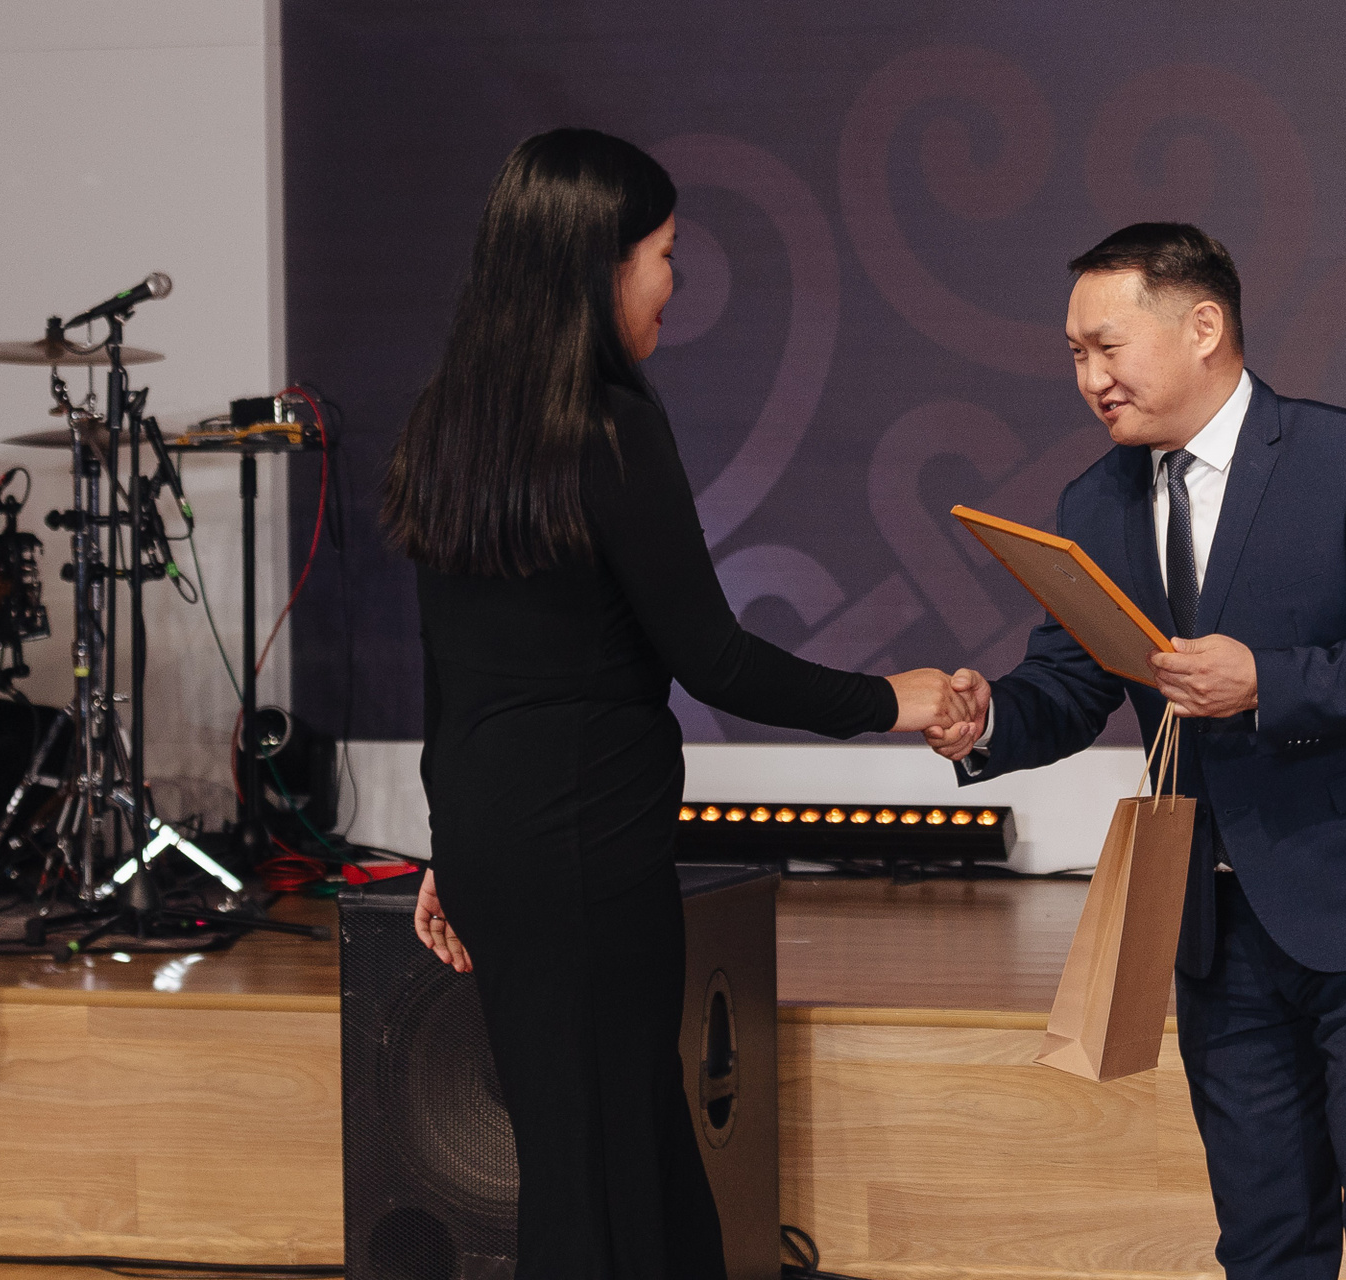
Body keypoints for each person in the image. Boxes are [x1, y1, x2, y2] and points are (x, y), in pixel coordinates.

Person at [383, 128, 985, 1280]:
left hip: (495, 842)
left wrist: (452, 843)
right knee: (605, 1181)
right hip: (587, 856)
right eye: (663, 254)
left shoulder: (445, 422)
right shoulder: (610, 427)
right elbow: (714, 658)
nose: (673, 281)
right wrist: (892, 700)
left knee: (608, 1155)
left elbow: (446, 672)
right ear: (600, 264)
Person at [931, 223, 1346, 1280]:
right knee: (1264, 1239)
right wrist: (988, 717)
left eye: (1108, 347)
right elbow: (1075, 680)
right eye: (1075, 356)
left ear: (1203, 326)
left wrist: (1268, 680)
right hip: (1213, 924)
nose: (1090, 380)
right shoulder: (1094, 500)